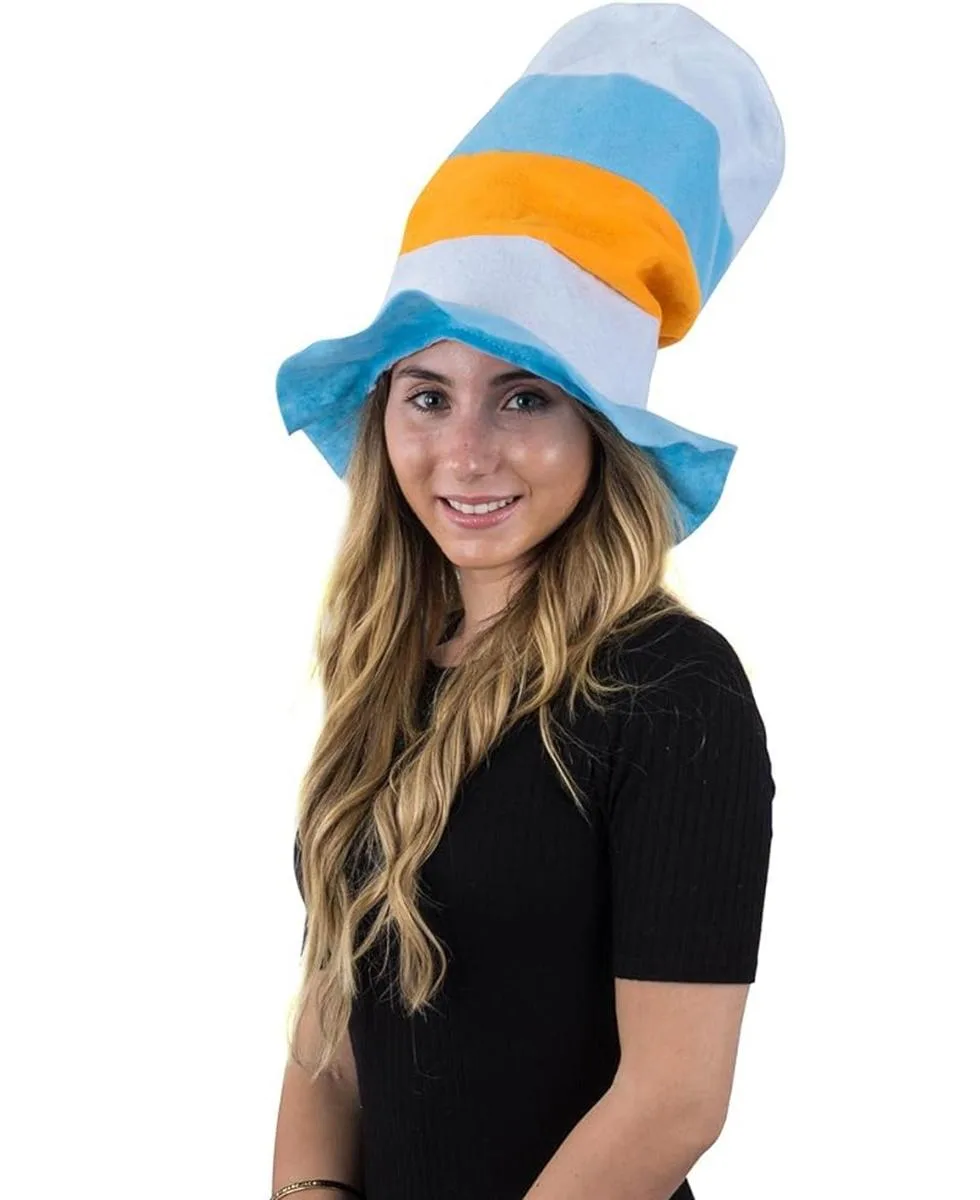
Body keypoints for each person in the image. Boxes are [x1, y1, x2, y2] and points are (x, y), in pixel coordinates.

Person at [268, 6, 785, 1200]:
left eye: (523, 398)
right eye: (427, 394)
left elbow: (674, 1099)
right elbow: (334, 1028)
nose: (465, 453)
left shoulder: (671, 692)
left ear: (600, 429)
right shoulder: (390, 667)